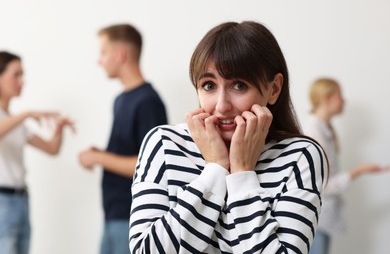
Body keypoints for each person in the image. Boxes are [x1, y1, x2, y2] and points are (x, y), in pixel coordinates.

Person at [129, 21, 327, 254]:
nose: (222, 106)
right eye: (209, 85)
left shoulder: (300, 156)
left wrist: (243, 174)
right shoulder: (164, 144)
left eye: (239, 85)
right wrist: (215, 169)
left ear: (273, 89)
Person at [78, 24, 167, 254]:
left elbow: (150, 166)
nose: (100, 60)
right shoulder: (120, 100)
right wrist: (100, 154)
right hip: (112, 213)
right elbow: (128, 152)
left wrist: (98, 158)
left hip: (131, 217)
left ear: (120, 54)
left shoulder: (148, 102)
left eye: (103, 52)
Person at [0, 51, 74, 254]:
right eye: (16, 74)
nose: (21, 81)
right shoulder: (14, 120)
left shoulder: (15, 121)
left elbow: (51, 149)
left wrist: (58, 130)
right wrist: (28, 114)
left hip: (21, 200)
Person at [305, 77, 389, 254]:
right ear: (326, 99)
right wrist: (359, 171)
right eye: (339, 95)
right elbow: (322, 186)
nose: (344, 101)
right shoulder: (314, 132)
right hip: (317, 221)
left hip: (323, 220)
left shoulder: (324, 129)